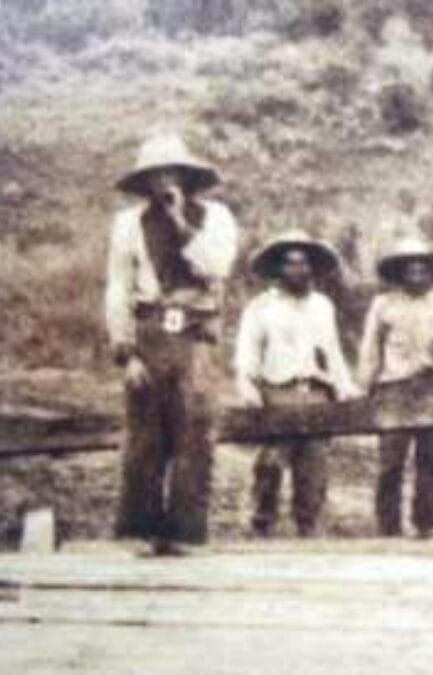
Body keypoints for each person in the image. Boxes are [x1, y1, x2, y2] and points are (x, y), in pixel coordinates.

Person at [105, 133, 239, 556]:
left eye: (172, 173)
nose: (163, 181)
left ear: (185, 176)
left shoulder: (215, 217)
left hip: (195, 334)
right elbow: (118, 285)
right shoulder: (128, 224)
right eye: (155, 175)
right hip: (149, 330)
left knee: (194, 430)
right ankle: (142, 532)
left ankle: (183, 533)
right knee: (145, 434)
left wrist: (180, 220)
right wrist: (125, 350)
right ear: (144, 182)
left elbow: (215, 266)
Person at [234, 229, 359, 538]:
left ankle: (309, 526)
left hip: (316, 392)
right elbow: (247, 351)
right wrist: (248, 386)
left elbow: (332, 352)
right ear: (278, 268)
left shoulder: (322, 306)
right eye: (290, 263)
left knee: (314, 465)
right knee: (272, 462)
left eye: (304, 263)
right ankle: (261, 523)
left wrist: (345, 387)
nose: (298, 269)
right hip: (278, 391)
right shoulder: (261, 307)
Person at [358, 233, 433, 538]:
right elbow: (370, 349)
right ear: (400, 273)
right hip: (394, 388)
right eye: (410, 270)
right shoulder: (383, 304)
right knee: (391, 462)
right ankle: (388, 527)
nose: (417, 276)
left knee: (432, 459)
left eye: (423, 269)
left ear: (432, 273)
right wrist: (364, 387)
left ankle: (426, 523)